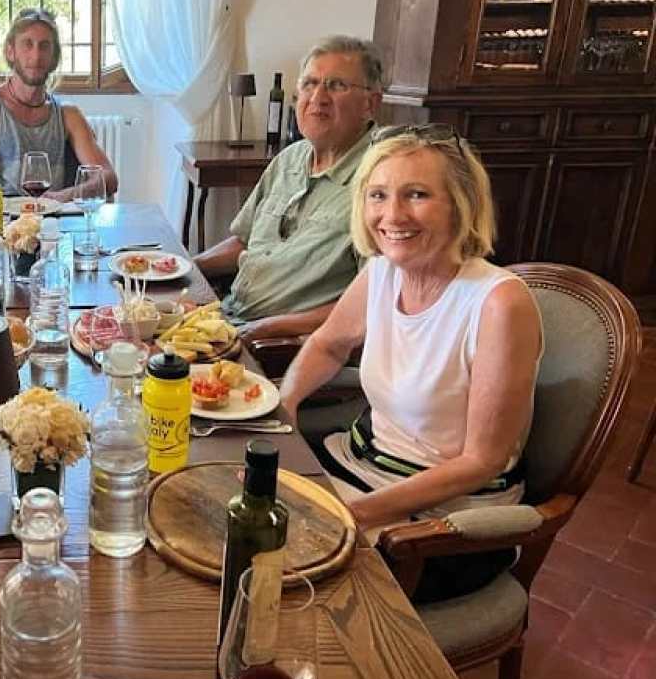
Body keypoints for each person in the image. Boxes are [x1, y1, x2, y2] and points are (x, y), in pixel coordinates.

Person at [279, 125, 543, 603]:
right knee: (241, 502)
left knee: (283, 579)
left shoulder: (499, 304)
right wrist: (286, 403)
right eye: (377, 195)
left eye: (417, 195)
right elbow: (327, 344)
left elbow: (480, 462)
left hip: (443, 525)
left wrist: (353, 513)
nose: (392, 215)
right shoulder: (381, 272)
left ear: (462, 204)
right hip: (360, 466)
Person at [195, 35, 383, 341]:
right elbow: (243, 243)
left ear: (370, 104)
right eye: (309, 84)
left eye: (336, 86)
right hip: (228, 316)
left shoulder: (382, 183)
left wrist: (267, 329)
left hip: (280, 346)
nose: (318, 97)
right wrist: (187, 267)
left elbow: (372, 306)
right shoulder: (290, 158)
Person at [0, 8, 119, 204]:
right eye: (27, 44)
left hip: (53, 228)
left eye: (44, 46)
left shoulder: (68, 114)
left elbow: (108, 178)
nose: (36, 56)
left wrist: (65, 196)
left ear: (54, 57)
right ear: (10, 51)